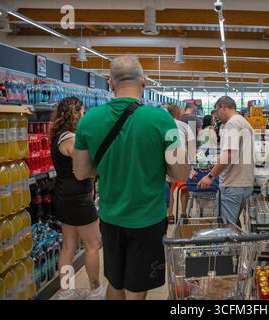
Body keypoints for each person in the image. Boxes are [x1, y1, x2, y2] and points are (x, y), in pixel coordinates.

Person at [72, 56, 190, 300]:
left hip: (110, 217)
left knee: (115, 282)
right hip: (148, 219)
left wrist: (109, 165)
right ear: (144, 82)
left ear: (110, 84)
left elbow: (81, 172)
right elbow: (181, 173)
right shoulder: (162, 120)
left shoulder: (88, 120)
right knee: (137, 290)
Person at [49, 96, 104, 300]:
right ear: (74, 113)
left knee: (68, 246)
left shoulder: (59, 135)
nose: (84, 115)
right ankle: (96, 291)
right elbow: (84, 162)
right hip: (78, 198)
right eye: (82, 112)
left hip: (64, 196)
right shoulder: (70, 138)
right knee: (93, 244)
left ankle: (66, 292)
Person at [197, 96, 255, 225]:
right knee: (234, 225)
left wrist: (210, 175)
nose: (216, 116)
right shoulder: (244, 122)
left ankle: (230, 245)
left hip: (232, 185)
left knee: (225, 229)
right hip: (245, 184)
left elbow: (229, 155)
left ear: (223, 107)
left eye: (216, 111)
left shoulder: (232, 123)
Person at [166, 104, 196, 222]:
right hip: (182, 159)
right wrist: (192, 163)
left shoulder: (164, 125)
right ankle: (183, 214)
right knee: (184, 188)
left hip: (168, 159)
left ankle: (170, 215)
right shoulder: (184, 126)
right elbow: (192, 147)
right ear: (179, 114)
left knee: (171, 188)